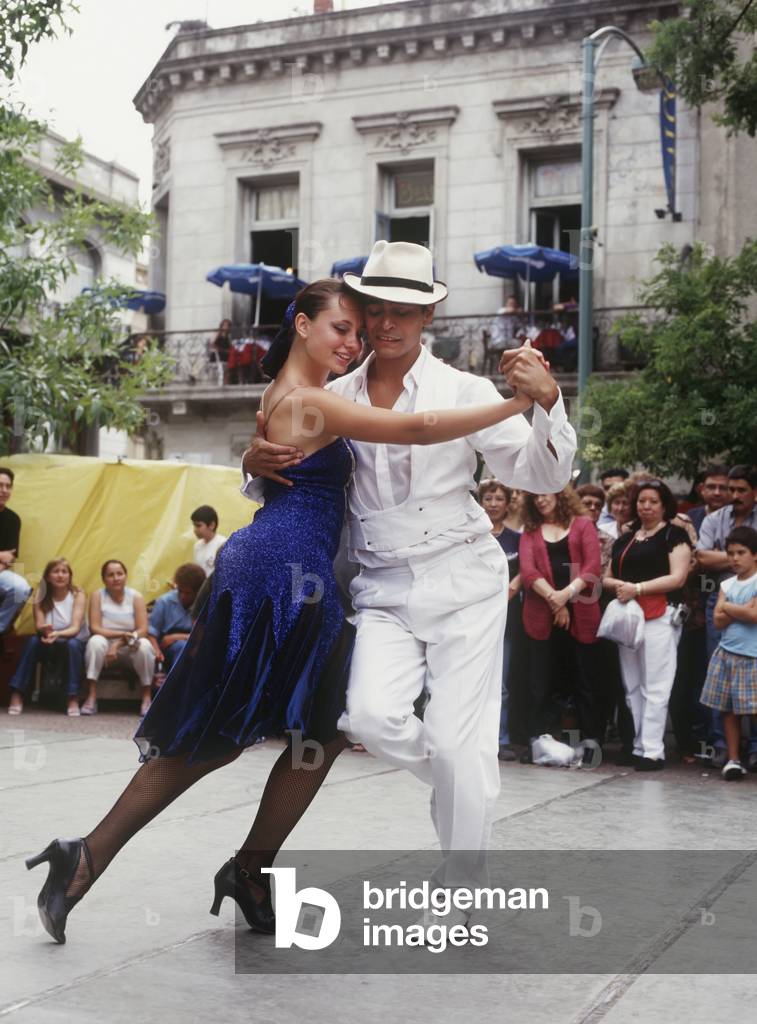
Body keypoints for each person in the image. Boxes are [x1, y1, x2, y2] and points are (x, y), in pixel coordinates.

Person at [24, 274, 539, 946]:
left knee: (318, 734)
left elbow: (295, 461)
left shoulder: (308, 398)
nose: (355, 341)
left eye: (361, 330)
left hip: (301, 578)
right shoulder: (311, 401)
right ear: (301, 326)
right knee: (218, 736)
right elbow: (418, 426)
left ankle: (246, 867)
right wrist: (515, 403)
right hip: (280, 576)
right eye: (342, 328)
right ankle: (88, 855)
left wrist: (250, 458)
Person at [244, 241, 576, 902]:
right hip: (382, 588)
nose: (387, 323)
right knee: (366, 719)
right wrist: (253, 461)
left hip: (465, 582)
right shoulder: (332, 394)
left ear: (428, 318)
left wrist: (547, 403)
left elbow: (541, 474)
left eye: (405, 310)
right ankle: (468, 787)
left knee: (459, 742)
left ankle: (462, 883)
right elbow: (289, 479)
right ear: (361, 312)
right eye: (375, 309)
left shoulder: (464, 390)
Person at [602, 479, 692, 770]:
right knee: (632, 685)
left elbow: (678, 578)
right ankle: (639, 745)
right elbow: (606, 576)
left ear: (664, 504)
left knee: (656, 684)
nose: (646, 506)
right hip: (629, 617)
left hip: (660, 615)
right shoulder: (626, 537)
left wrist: (637, 588)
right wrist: (624, 586)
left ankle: (653, 750)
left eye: (653, 501)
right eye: (641, 501)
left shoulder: (674, 535)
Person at [518, 487, 602, 763]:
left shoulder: (583, 525)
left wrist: (565, 596)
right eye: (535, 496)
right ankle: (538, 742)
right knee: (540, 682)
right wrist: (556, 602)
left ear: (559, 494)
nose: (540, 498)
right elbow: (528, 572)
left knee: (584, 681)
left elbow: (592, 568)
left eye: (545, 493)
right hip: (541, 614)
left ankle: (589, 745)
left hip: (582, 612)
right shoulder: (530, 530)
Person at [696, 464, 757, 768]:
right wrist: (743, 555)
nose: (733, 495)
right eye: (730, 489)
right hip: (719, 593)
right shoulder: (714, 519)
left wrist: (725, 558)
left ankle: (755, 748)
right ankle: (723, 746)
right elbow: (702, 557)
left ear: (754, 492)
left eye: (740, 490)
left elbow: (712, 555)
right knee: (720, 673)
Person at [577, 482, 635, 763]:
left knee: (611, 681)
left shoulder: (609, 540)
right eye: (586, 503)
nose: (592, 509)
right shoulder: (567, 533)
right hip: (567, 611)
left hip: (602, 612)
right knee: (581, 681)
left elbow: (604, 577)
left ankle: (620, 742)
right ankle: (584, 740)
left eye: (597, 505)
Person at [477, 479, 523, 762]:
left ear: (507, 504)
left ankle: (500, 738)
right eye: (488, 498)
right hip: (473, 616)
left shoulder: (517, 539)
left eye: (498, 499)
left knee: (502, 684)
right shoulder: (473, 535)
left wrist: (511, 588)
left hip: (505, 619)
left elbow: (527, 569)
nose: (493, 504)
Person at [7, 558, 88, 717]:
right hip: (49, 639)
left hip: (72, 641)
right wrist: (46, 631)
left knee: (72, 644)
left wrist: (57, 633)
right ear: (48, 577)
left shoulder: (78, 594)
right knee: (32, 642)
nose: (60, 575)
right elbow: (40, 624)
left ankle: (72, 696)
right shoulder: (40, 595)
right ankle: (17, 693)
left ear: (69, 576)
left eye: (64, 572)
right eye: (56, 572)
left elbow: (75, 628)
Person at [82, 560, 156, 717]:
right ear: (103, 579)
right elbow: (94, 628)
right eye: (110, 575)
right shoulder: (97, 596)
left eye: (119, 574)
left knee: (145, 645)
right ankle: (91, 697)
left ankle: (146, 698)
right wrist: (120, 636)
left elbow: (143, 629)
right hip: (105, 647)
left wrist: (119, 643)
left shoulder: (136, 597)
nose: (116, 578)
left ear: (125, 576)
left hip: (130, 645)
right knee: (95, 641)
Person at [148, 563, 206, 674]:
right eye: (180, 591)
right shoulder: (164, 601)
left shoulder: (204, 604)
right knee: (182, 648)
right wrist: (157, 651)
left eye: (188, 593)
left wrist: (178, 636)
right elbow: (152, 633)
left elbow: (205, 634)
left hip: (196, 645)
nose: (183, 596)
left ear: (198, 592)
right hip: (169, 649)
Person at [0, 467, 32, 640]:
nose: (4, 490)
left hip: (1, 572)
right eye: (0, 485)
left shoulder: (13, 519)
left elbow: (9, 558)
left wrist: (4, 558)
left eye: (8, 486)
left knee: (21, 588)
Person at [687, 463, 730, 534]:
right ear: (702, 489)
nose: (717, 493)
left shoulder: (740, 518)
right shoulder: (691, 517)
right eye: (711, 487)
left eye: (723, 488)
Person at [191, 506, 228, 577]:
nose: (195, 529)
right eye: (194, 525)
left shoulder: (223, 544)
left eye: (198, 525)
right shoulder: (197, 545)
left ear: (212, 525)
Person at [209, 318, 232, 385]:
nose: (226, 327)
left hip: (225, 355)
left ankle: (227, 381)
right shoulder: (218, 334)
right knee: (230, 360)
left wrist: (228, 351)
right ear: (221, 326)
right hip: (217, 356)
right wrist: (223, 350)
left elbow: (230, 347)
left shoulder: (228, 337)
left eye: (228, 325)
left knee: (234, 358)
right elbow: (212, 345)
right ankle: (224, 381)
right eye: (224, 325)